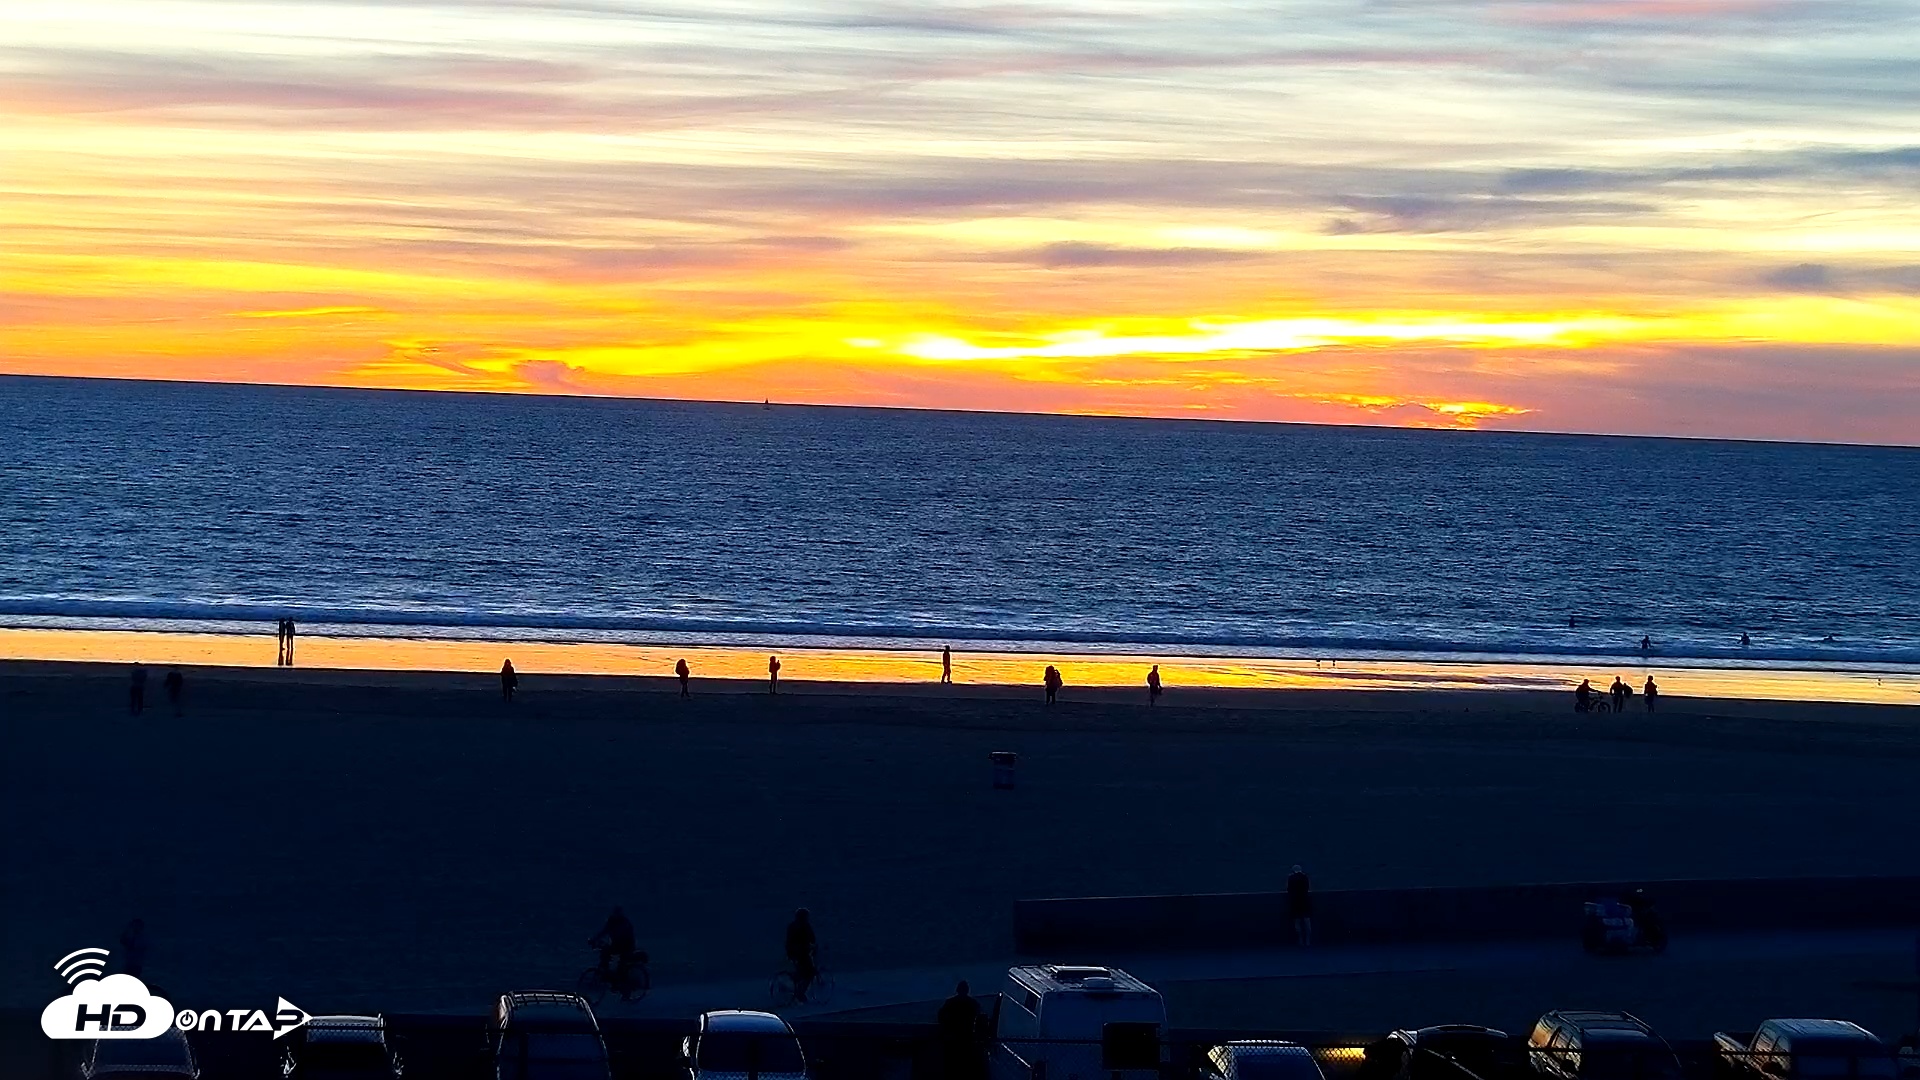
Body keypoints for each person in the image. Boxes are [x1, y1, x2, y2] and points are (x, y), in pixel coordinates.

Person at [938, 980, 985, 1080]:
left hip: (953, 1038)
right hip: (967, 1037)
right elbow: (979, 1018)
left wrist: (946, 1030)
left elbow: (941, 1016)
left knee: (951, 1064)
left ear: (957, 990)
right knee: (965, 1064)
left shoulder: (950, 1002)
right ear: (967, 990)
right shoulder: (973, 1003)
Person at [591, 906, 636, 978]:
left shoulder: (624, 922)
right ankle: (607, 973)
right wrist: (595, 939)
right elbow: (604, 931)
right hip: (617, 944)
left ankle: (621, 981)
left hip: (626, 946)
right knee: (605, 954)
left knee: (622, 964)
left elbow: (625, 936)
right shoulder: (612, 922)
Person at [785, 908, 818, 1003]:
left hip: (795, 953)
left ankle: (796, 983)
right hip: (801, 953)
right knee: (810, 973)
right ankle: (800, 993)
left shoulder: (793, 926)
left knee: (802, 971)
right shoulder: (804, 926)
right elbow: (812, 939)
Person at [1286, 865, 1312, 946]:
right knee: (1307, 921)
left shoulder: (1291, 878)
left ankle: (1300, 939)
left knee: (1297, 922)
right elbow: (1307, 888)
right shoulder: (1305, 877)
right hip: (1305, 900)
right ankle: (1308, 940)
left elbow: (1289, 890)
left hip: (1295, 902)